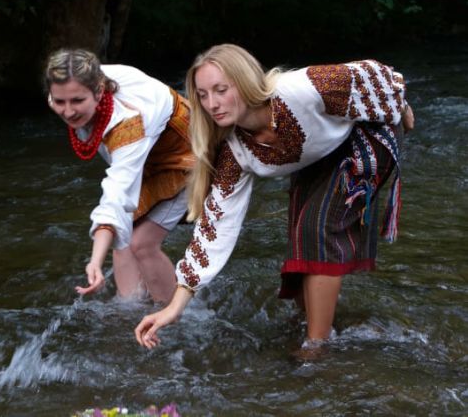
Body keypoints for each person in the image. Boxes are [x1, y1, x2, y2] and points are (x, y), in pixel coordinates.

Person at [134, 44, 415, 348]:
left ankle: (317, 349)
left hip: (368, 133)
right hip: (319, 154)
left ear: (243, 82)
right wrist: (174, 307)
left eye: (220, 90)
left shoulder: (300, 90)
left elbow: (377, 74)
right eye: (202, 95)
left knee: (317, 227)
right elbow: (215, 227)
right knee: (299, 236)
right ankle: (319, 322)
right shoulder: (234, 150)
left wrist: (399, 106)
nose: (212, 104)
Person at [44, 49, 196, 303]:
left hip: (187, 157)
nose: (68, 112)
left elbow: (116, 197)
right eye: (60, 102)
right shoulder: (80, 80)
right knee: (121, 239)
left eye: (77, 101)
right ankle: (128, 315)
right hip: (145, 158)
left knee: (141, 244)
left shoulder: (128, 123)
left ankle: (173, 317)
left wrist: (95, 261)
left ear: (99, 91)